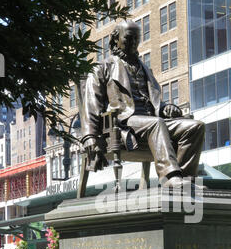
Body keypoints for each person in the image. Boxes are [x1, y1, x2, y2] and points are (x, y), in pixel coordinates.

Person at [81, 20, 205, 189]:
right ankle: (170, 177)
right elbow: (91, 104)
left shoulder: (145, 69)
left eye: (137, 39)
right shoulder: (102, 68)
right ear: (116, 39)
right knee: (156, 123)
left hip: (152, 122)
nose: (133, 43)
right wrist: (89, 137)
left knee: (195, 126)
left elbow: (154, 102)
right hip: (124, 123)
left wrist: (165, 108)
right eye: (129, 38)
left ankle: (186, 180)